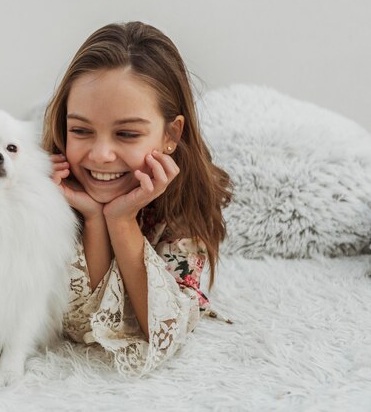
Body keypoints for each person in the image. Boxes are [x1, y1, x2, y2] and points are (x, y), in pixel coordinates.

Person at [41, 21, 234, 376]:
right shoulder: (47, 187)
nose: (100, 155)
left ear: (170, 135)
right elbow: (78, 324)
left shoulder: (184, 208)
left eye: (127, 134)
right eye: (80, 130)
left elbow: (163, 329)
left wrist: (120, 220)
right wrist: (95, 220)